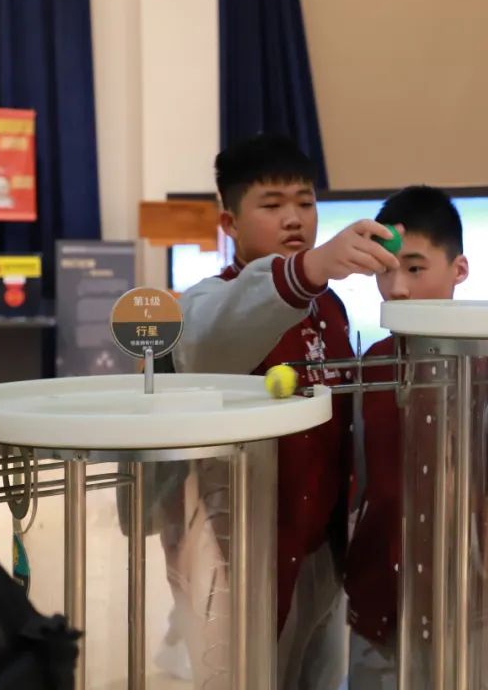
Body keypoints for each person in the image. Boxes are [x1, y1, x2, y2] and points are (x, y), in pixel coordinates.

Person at [170, 133, 400, 690]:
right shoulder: (207, 300)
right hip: (244, 553)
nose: (294, 219)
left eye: (305, 201)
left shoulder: (330, 305)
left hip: (322, 544)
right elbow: (206, 344)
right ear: (229, 223)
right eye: (272, 205)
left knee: (317, 674)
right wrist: (306, 271)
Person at [346, 186, 488, 689]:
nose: (397, 288)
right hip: (378, 610)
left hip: (470, 613)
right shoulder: (372, 364)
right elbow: (363, 486)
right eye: (384, 270)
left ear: (459, 269)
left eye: (414, 268)